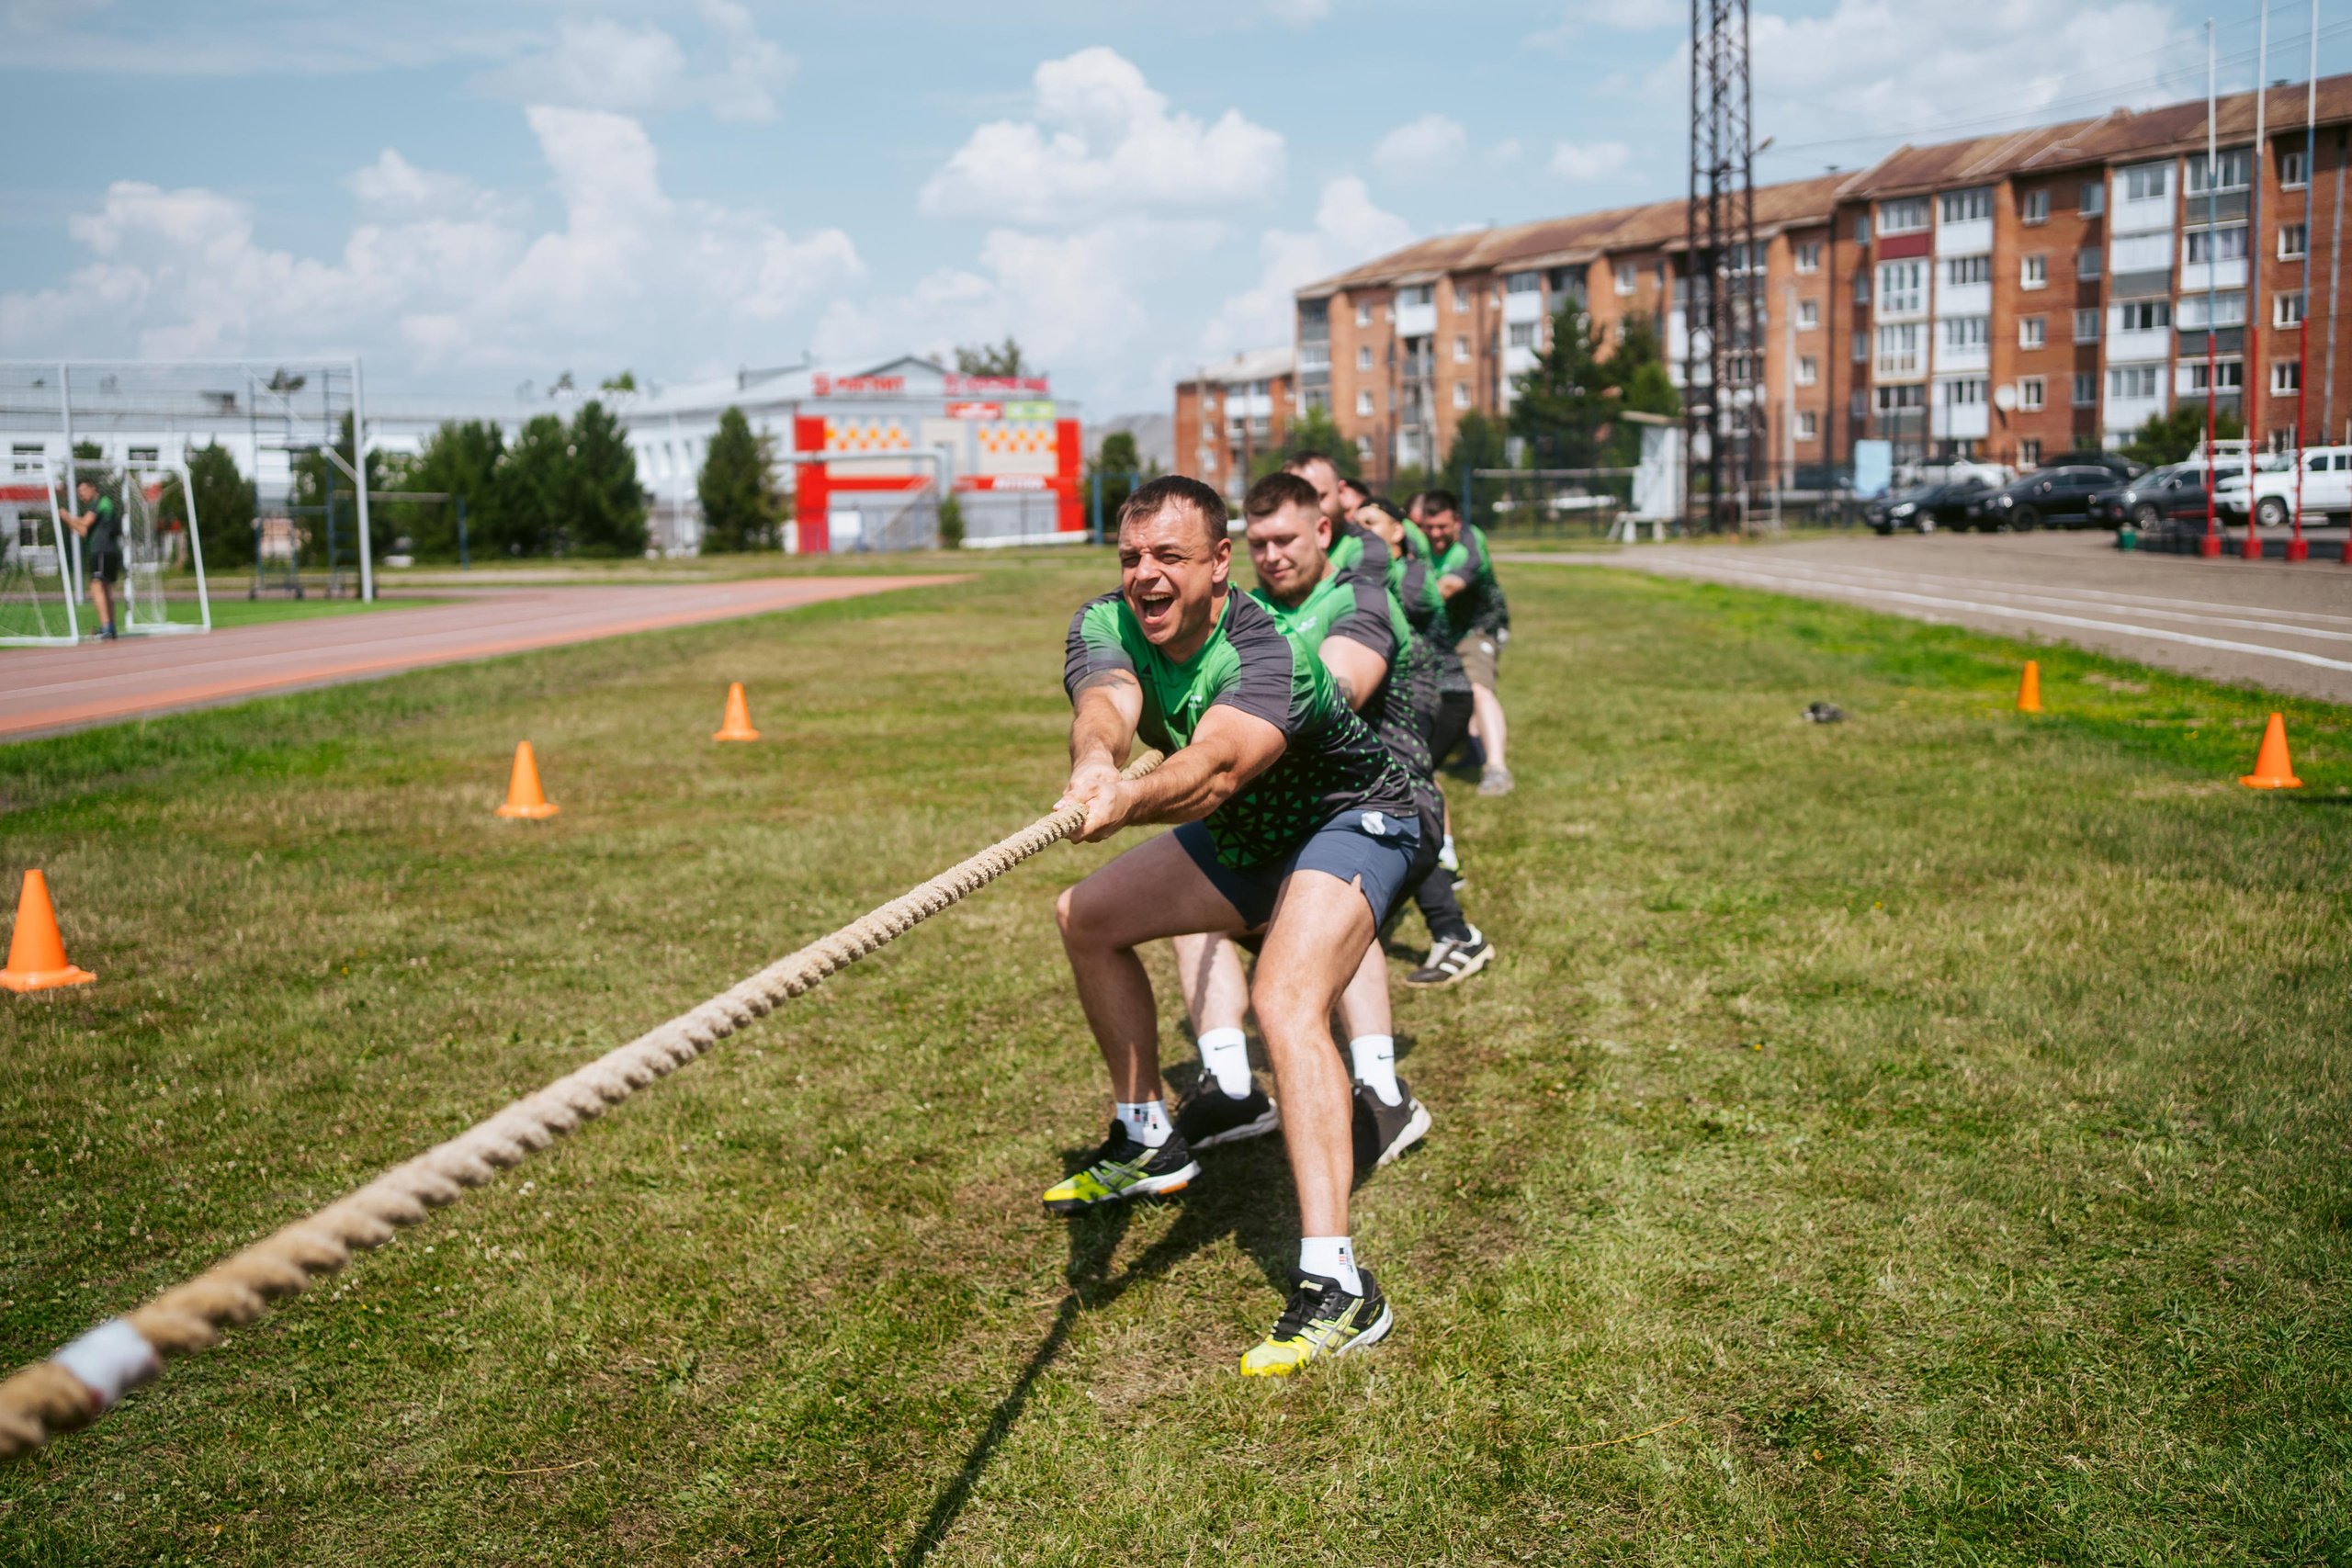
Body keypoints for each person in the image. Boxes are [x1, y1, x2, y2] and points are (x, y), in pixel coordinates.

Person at [1053, 475, 1421, 1374]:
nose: (1144, 576)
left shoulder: (1268, 654)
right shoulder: (1106, 622)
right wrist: (1099, 760)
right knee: (1085, 915)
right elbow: (1106, 700)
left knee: (1285, 998)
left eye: (1168, 558)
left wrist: (1131, 796)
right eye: (1131, 557)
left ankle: (1339, 1288)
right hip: (1251, 837)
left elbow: (1216, 770)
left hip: (1355, 818)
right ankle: (1147, 1138)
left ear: (1220, 564)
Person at [1168, 473, 1442, 1174]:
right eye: (1259, 543)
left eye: (1286, 539)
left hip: (1392, 800)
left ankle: (1382, 1090)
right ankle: (1231, 1084)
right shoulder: (1254, 611)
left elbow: (1342, 683)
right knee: (1199, 863)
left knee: (1324, 874)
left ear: (1323, 532)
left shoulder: (1358, 594)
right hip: (1302, 800)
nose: (1273, 554)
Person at [1351, 497, 1493, 986]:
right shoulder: (1358, 575)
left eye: (1369, 523)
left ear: (1397, 532)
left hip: (1439, 697)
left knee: (1399, 806)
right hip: (1395, 704)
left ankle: (1454, 932)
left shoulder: (1409, 578)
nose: (1357, 530)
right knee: (1385, 806)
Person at [1419, 489, 1512, 795]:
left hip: (1480, 628)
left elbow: (1449, 586)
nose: (1435, 534)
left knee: (1477, 689)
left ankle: (1497, 769)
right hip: (1445, 633)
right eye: (1428, 527)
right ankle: (1471, 750)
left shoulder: (1470, 543)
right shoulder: (1419, 545)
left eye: (1442, 527)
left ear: (1456, 521)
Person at [61, 476, 123, 640]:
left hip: (103, 550)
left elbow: (85, 524)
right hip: (103, 551)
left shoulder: (101, 502)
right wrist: (69, 520)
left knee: (97, 587)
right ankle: (110, 626)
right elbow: (82, 529)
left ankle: (107, 627)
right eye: (79, 493)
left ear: (92, 488)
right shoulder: (96, 506)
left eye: (83, 491)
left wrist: (68, 517)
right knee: (105, 588)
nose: (82, 495)